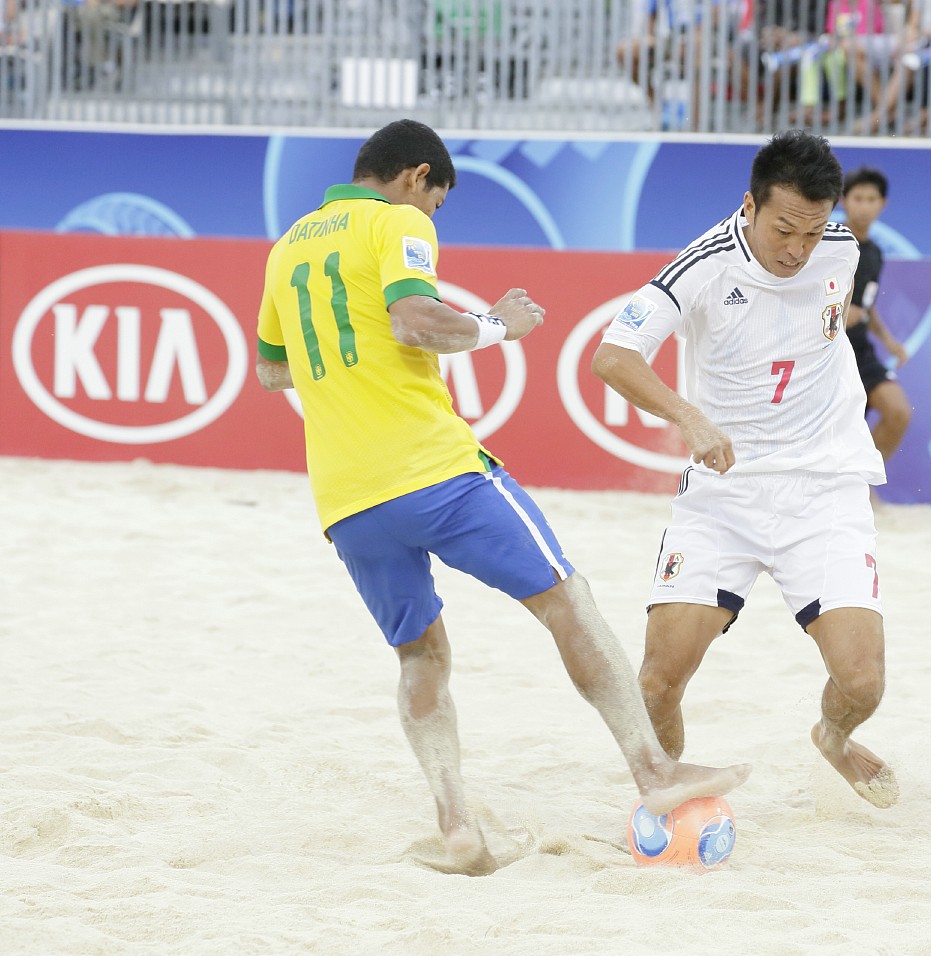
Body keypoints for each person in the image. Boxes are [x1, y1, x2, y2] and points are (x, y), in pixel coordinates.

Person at [253, 119, 750, 876]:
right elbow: (414, 321)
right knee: (566, 600)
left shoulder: (287, 246)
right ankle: (654, 771)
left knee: (421, 654)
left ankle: (457, 827)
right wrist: (497, 325)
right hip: (434, 471)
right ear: (417, 176)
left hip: (347, 500)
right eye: (437, 201)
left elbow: (272, 371)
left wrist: (351, 366)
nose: (433, 215)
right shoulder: (397, 221)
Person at [590, 130, 898, 809]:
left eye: (812, 232)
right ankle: (666, 800)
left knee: (863, 684)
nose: (797, 249)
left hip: (825, 488)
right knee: (658, 683)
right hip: (723, 494)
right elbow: (612, 356)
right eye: (784, 229)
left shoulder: (842, 250)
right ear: (750, 206)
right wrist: (689, 417)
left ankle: (832, 737)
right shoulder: (703, 266)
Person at [839, 166, 911, 466]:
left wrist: (889, 341)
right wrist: (839, 316)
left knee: (898, 412)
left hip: (862, 352)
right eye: (858, 198)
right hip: (829, 351)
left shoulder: (875, 253)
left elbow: (867, 306)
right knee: (837, 433)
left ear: (883, 204)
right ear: (843, 200)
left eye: (872, 199)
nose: (864, 207)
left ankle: (863, 480)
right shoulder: (829, 243)